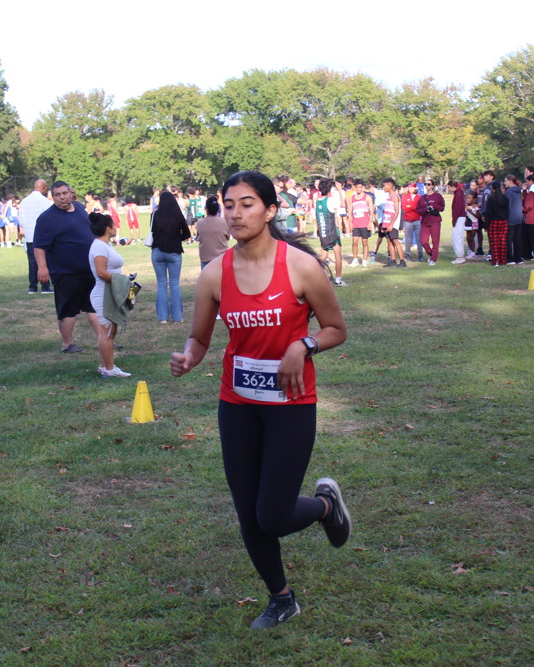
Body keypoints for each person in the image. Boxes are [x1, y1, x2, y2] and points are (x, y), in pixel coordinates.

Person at [169, 170, 350, 631]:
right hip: (238, 404)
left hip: (291, 404)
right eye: (229, 204)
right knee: (249, 513)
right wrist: (188, 356)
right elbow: (199, 338)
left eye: (247, 204)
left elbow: (335, 329)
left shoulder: (301, 267)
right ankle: (281, 598)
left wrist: (303, 345)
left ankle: (325, 506)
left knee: (273, 514)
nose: (236, 213)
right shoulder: (214, 274)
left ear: (270, 211)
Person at [33, 181, 102, 354]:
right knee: (68, 309)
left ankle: (103, 340)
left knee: (94, 306)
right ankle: (67, 344)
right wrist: (42, 267)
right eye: (58, 195)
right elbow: (39, 246)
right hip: (66, 272)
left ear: (70, 193)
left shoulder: (79, 208)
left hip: (89, 268)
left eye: (65, 193)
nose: (62, 197)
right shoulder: (47, 218)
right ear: (53, 197)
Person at [87, 212, 131, 378]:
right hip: (103, 293)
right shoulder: (99, 247)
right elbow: (101, 272)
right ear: (108, 229)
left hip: (110, 291)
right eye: (114, 225)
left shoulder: (105, 245)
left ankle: (105, 366)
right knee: (106, 332)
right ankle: (109, 369)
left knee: (110, 331)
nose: (116, 227)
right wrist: (122, 281)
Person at [150, 190, 191, 324]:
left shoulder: (155, 214)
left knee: (161, 284)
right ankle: (177, 317)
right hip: (174, 251)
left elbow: (153, 232)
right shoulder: (177, 215)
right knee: (174, 284)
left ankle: (163, 317)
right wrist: (176, 238)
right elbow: (187, 233)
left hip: (157, 251)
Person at [19, 179, 53, 294]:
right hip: (42, 236)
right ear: (43, 188)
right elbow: (49, 218)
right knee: (44, 261)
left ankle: (32, 287)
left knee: (32, 262)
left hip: (30, 236)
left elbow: (21, 219)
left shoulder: (24, 201)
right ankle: (45, 286)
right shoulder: (44, 201)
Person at [314, 178, 347, 285]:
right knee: (338, 256)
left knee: (323, 256)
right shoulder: (330, 200)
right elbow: (343, 205)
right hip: (332, 232)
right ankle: (338, 280)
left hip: (323, 233)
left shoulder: (318, 201)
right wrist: (339, 190)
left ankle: (309, 270)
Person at [195, 197, 230, 269]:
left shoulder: (199, 223)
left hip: (206, 258)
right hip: (221, 258)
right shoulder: (225, 222)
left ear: (206, 209)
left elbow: (198, 237)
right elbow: (228, 237)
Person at [418, 179, 445, 266]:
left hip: (435, 221)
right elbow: (418, 210)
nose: (427, 186)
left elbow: (442, 207)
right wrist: (425, 210)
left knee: (435, 241)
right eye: (425, 184)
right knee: (423, 241)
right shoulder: (422, 198)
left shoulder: (438, 196)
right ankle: (431, 254)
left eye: (429, 184)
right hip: (425, 222)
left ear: (433, 186)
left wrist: (433, 207)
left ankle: (433, 259)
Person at [347, 180, 374, 267]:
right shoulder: (352, 198)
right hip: (356, 223)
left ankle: (364, 260)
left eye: (360, 187)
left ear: (362, 187)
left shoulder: (368, 197)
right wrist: (350, 222)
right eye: (356, 187)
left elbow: (371, 211)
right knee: (355, 241)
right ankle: (355, 259)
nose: (358, 189)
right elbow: (350, 211)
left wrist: (370, 223)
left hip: (365, 223)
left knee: (365, 242)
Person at [485, 182, 509, 267]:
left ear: (492, 188)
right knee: (502, 241)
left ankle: (496, 261)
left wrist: (486, 225)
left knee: (494, 242)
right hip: (503, 221)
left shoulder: (491, 198)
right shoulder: (505, 198)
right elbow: (507, 211)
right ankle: (503, 260)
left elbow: (488, 213)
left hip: (493, 221)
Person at [504, 175, 525, 265]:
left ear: (510, 181)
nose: (505, 183)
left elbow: (508, 206)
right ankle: (518, 258)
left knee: (508, 239)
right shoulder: (518, 191)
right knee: (517, 239)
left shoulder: (509, 192)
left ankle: (510, 259)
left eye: (506, 181)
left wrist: (505, 216)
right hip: (519, 217)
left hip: (511, 218)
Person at [401, 182, 423, 262]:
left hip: (417, 219)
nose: (410, 189)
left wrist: (410, 206)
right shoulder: (405, 196)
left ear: (415, 188)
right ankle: (407, 254)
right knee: (408, 238)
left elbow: (420, 208)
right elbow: (404, 208)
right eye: (409, 187)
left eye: (412, 187)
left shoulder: (419, 197)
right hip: (408, 220)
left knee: (419, 238)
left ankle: (420, 254)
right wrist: (414, 207)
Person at [449, 180, 467, 264]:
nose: (448, 189)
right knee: (456, 236)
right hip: (459, 217)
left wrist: (454, 219)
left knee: (457, 236)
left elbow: (457, 208)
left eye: (449, 187)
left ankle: (460, 256)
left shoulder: (458, 194)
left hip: (459, 217)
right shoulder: (458, 193)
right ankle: (459, 256)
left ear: (453, 187)